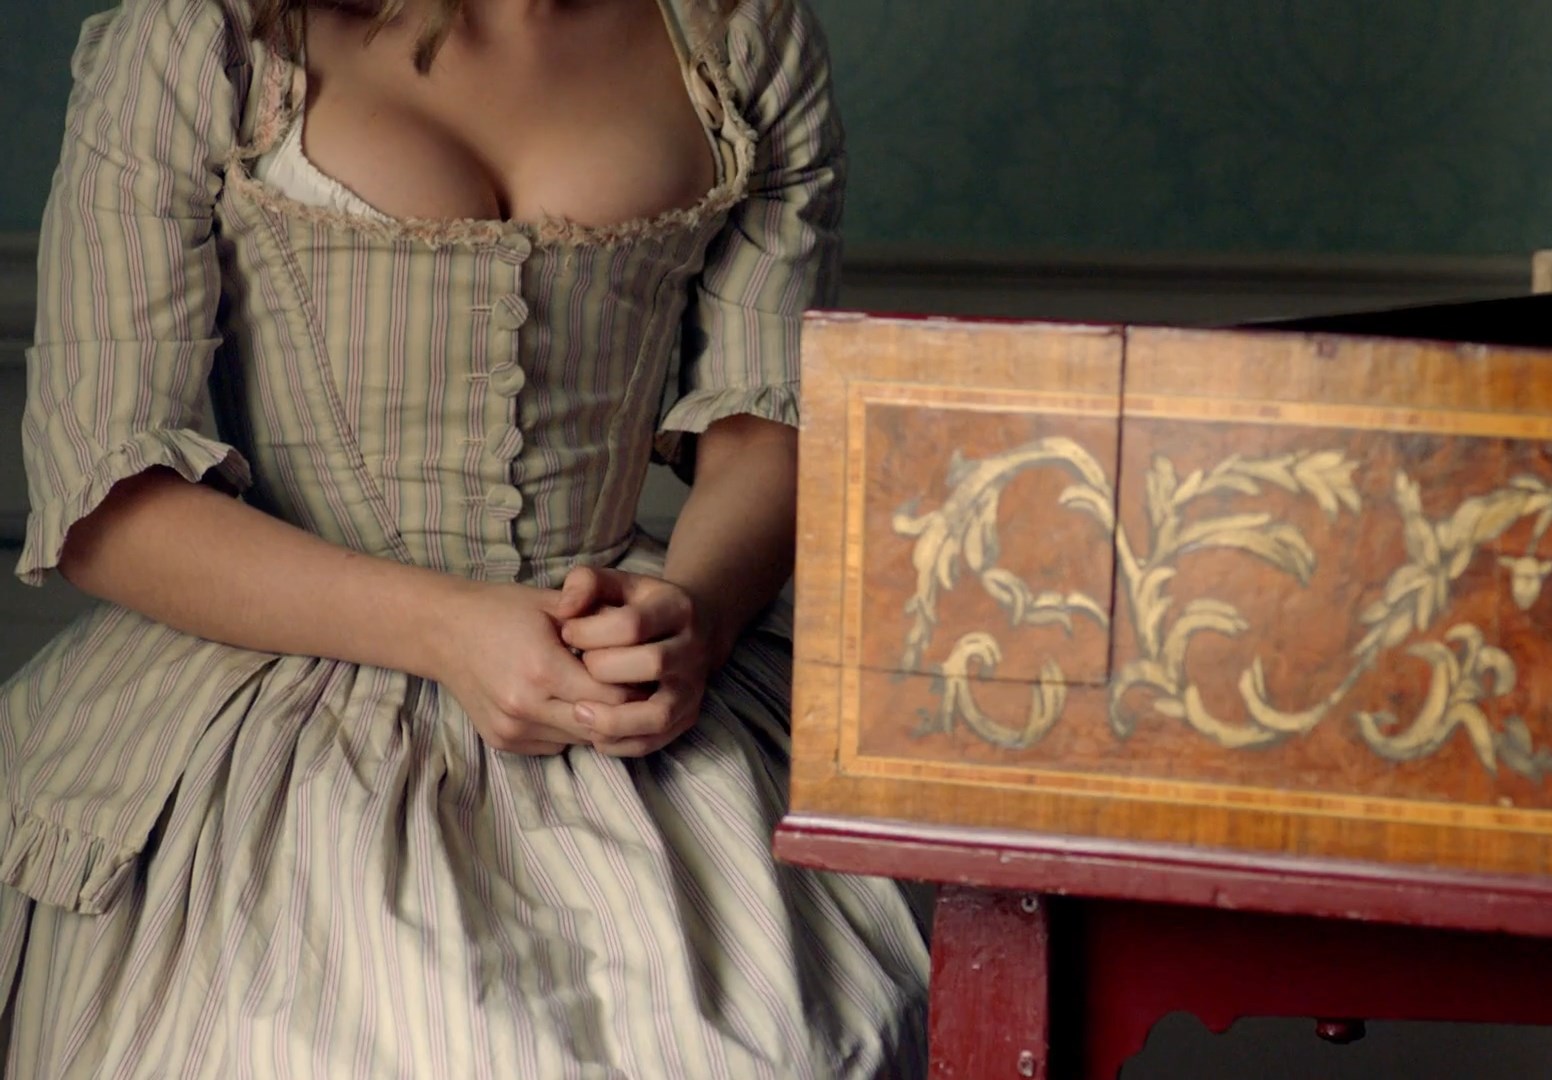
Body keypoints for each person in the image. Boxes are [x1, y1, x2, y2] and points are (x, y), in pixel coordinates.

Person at [0, 0, 929, 1074]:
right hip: (279, 680)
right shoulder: (209, 34)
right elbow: (105, 499)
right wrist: (449, 631)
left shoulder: (740, 37)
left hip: (624, 667)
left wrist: (698, 615)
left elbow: (765, 423)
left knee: (792, 1027)